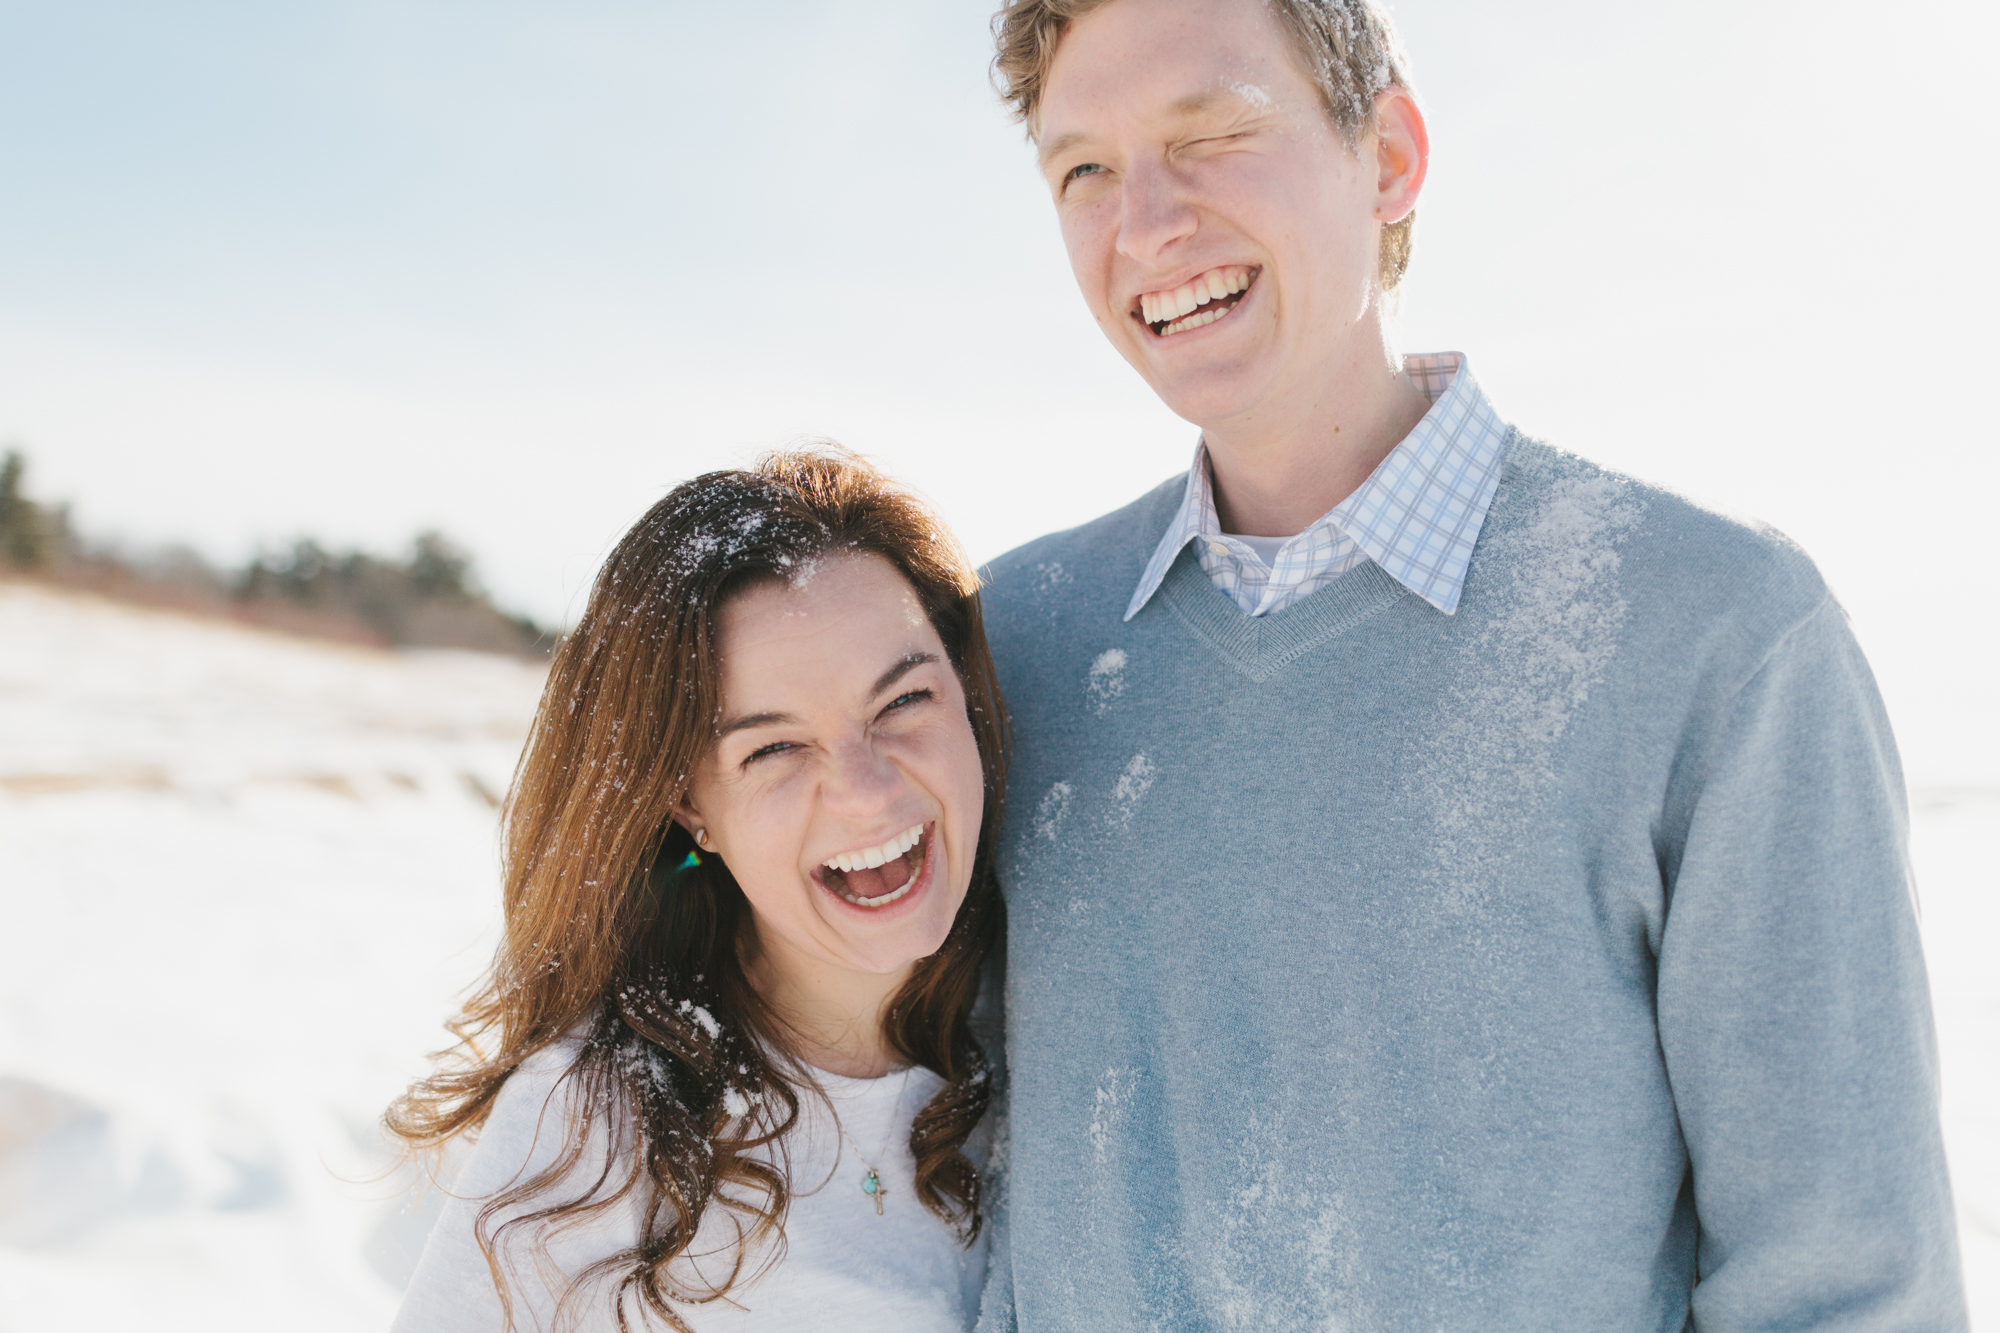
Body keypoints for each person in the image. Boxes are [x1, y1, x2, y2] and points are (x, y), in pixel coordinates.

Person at [973, 0, 1968, 1328]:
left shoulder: (1723, 640)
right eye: (1081, 169)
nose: (1142, 224)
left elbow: (1848, 1285)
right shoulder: (998, 650)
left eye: (1212, 133)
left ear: (1386, 155)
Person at [388, 450, 1009, 1332]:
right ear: (688, 805)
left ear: (967, 695)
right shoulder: (592, 1129)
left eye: (904, 699)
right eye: (773, 749)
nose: (868, 790)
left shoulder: (1043, 1040)